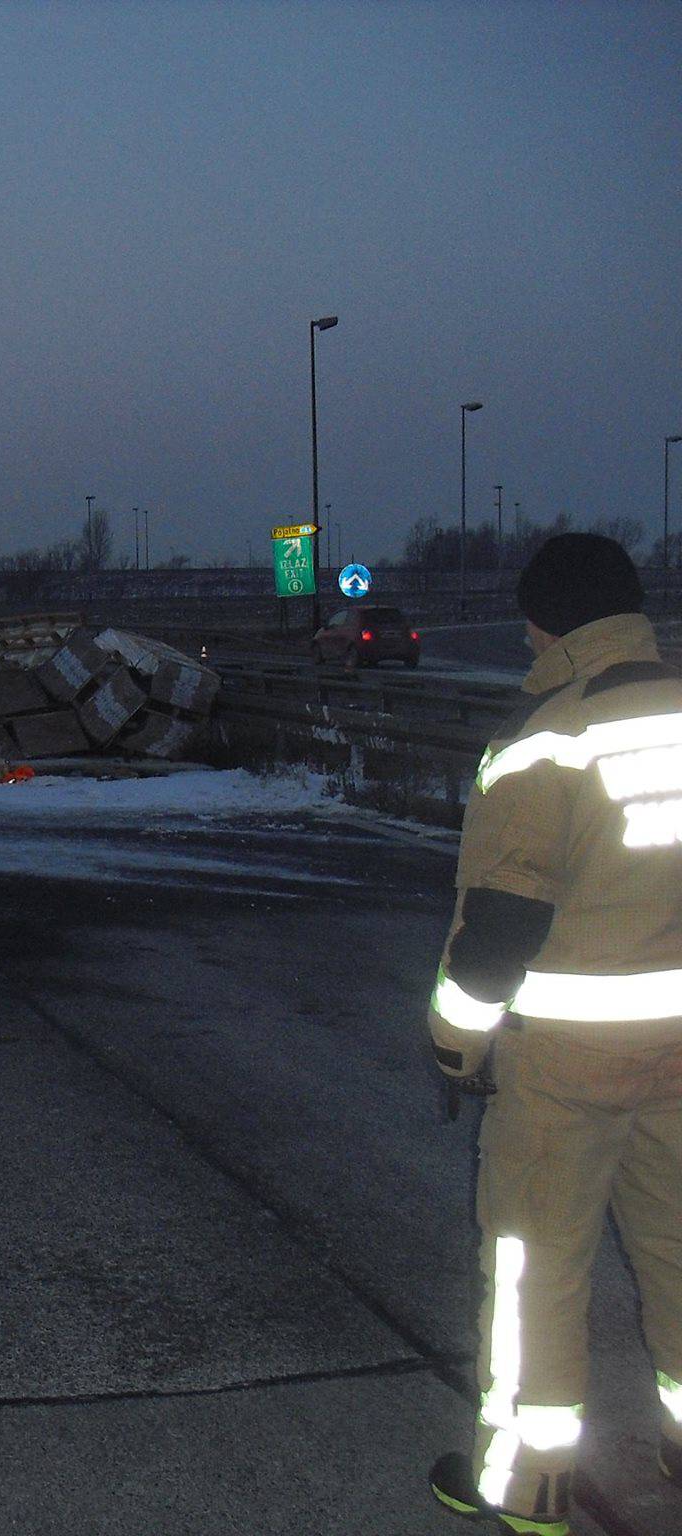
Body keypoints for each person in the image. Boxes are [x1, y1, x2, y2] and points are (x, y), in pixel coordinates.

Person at [427, 534, 682, 1534]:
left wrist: (456, 1041)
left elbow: (499, 923)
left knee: (539, 1264)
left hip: (570, 1058)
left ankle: (530, 1488)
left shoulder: (546, 736)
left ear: (546, 622)